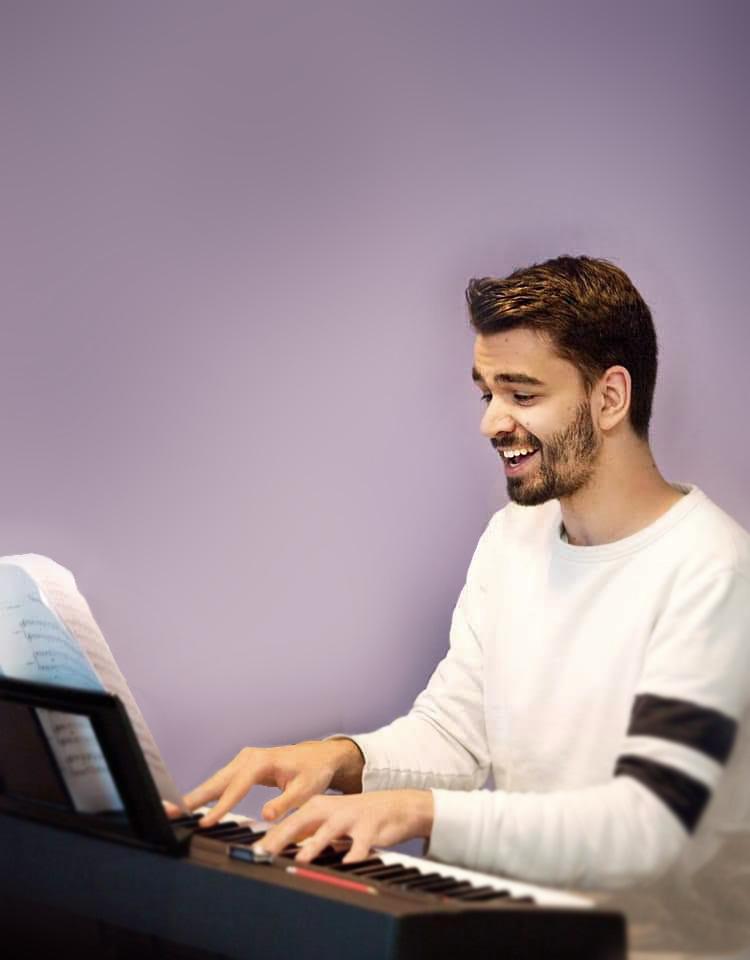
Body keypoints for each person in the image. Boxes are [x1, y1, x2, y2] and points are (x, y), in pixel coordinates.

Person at [183, 256, 750, 958]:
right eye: (486, 393)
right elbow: (456, 734)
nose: (491, 422)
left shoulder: (714, 574)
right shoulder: (514, 537)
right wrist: (339, 758)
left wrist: (420, 811)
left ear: (610, 398)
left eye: (521, 394)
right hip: (528, 936)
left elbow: (646, 826)